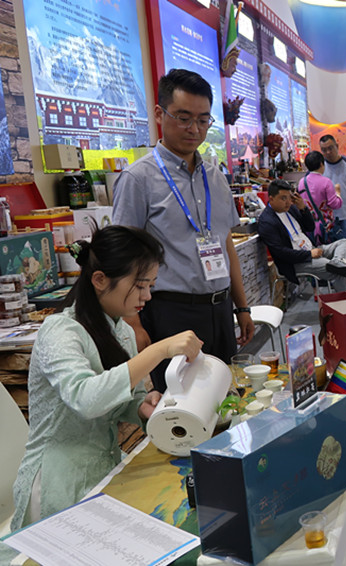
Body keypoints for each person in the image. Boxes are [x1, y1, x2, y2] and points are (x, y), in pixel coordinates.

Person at [10, 226, 203, 529]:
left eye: (150, 285)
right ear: (99, 280)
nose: (147, 296)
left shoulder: (120, 329)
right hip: (57, 483)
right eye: (140, 286)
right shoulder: (59, 331)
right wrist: (158, 350)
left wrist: (142, 406)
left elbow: (122, 399)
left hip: (104, 469)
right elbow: (86, 399)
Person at [112, 69, 254, 392]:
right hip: (170, 313)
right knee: (180, 407)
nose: (194, 129)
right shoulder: (138, 179)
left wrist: (242, 307)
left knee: (225, 399)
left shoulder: (215, 178)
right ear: (159, 114)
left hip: (220, 310)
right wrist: (133, 324)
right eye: (184, 118)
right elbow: (122, 257)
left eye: (203, 120)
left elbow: (226, 244)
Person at [258, 180, 346, 292]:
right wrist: (309, 254)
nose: (288, 202)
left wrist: (303, 208)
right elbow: (281, 252)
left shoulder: (290, 209)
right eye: (283, 198)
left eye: (289, 198)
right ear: (271, 199)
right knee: (336, 271)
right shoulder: (267, 221)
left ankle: (337, 261)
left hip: (310, 249)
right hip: (295, 262)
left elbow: (310, 227)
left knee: (345, 243)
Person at [297, 150, 343, 245]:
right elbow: (334, 204)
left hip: (308, 226)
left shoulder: (302, 182)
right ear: (322, 164)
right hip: (325, 227)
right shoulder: (326, 182)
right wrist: (338, 193)